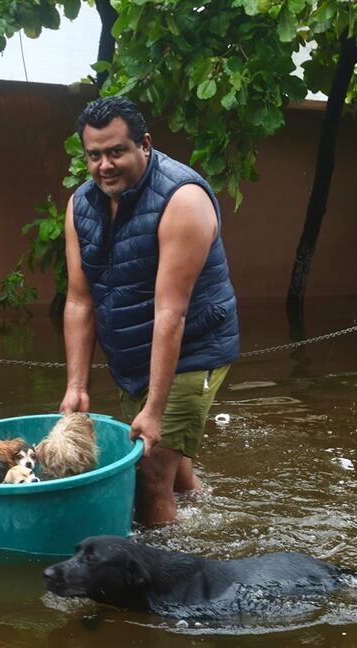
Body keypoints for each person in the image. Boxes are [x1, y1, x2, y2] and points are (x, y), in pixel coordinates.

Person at [58, 96, 240, 526]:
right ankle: (217, 526)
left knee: (147, 478)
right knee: (172, 476)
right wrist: (76, 387)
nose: (105, 165)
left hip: (194, 348)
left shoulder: (183, 200)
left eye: (116, 151)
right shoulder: (80, 205)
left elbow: (170, 313)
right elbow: (79, 301)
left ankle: (164, 583)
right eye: (94, 155)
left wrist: (154, 409)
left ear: (144, 144)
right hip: (135, 357)